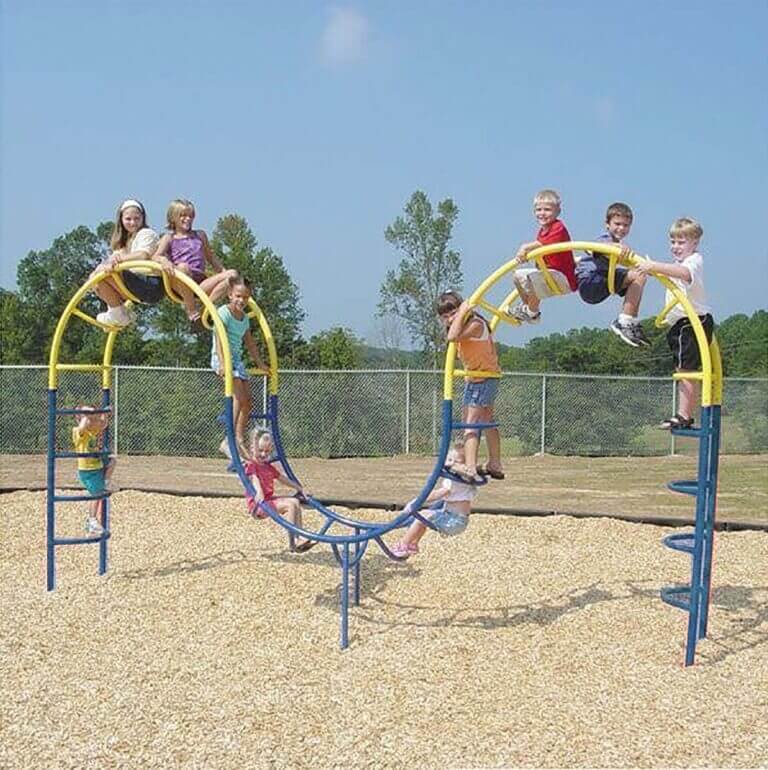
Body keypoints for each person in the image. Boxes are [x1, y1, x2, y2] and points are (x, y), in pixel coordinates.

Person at [636, 217, 714, 429]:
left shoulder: (694, 261)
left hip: (692, 321)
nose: (676, 247)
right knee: (683, 369)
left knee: (686, 369)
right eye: (673, 242)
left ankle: (684, 415)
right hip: (682, 323)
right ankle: (684, 415)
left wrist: (654, 266)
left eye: (681, 242)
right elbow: (673, 271)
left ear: (695, 242)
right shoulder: (678, 264)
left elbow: (685, 274)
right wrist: (653, 269)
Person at [437, 291, 503, 483]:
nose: (450, 319)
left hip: (483, 378)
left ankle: (471, 467)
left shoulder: (475, 324)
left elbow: (452, 336)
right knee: (486, 419)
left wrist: (464, 310)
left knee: (471, 424)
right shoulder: (466, 325)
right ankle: (494, 463)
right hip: (479, 377)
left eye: (453, 313)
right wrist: (458, 316)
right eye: (445, 316)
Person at [576, 202, 650, 347]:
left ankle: (630, 322)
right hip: (591, 281)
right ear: (607, 224)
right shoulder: (605, 239)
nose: (621, 228)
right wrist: (616, 247)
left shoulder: (618, 247)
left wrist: (652, 268)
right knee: (638, 275)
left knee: (640, 274)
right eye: (617, 224)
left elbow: (630, 264)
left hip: (603, 280)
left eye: (626, 225)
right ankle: (625, 321)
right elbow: (592, 249)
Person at [153, 199, 238, 325]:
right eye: (183, 216)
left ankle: (206, 309)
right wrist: (164, 260)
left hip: (200, 284)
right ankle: (192, 312)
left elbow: (211, 258)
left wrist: (224, 274)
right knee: (183, 267)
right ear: (173, 218)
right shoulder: (169, 238)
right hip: (181, 284)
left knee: (233, 274)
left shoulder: (200, 235)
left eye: (190, 216)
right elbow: (155, 256)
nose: (187, 219)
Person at [210, 276, 266, 457]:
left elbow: (249, 343)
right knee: (239, 398)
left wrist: (260, 364)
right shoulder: (223, 312)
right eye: (238, 296)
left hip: (237, 361)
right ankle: (228, 439)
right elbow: (219, 340)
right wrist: (224, 363)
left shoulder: (244, 318)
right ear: (229, 295)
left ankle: (238, 437)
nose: (241, 300)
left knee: (248, 402)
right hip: (223, 359)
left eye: (245, 297)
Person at [92, 199, 170, 326]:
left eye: (136, 218)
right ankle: (118, 312)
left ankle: (119, 315)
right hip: (137, 284)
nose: (133, 222)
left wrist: (118, 260)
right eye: (128, 219)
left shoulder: (146, 233)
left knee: (102, 275)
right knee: (97, 278)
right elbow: (112, 259)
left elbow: (143, 255)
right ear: (121, 220)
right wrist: (105, 265)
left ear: (142, 218)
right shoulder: (125, 241)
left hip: (150, 284)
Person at [391, 443, 476, 558]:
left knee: (423, 515)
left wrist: (416, 502)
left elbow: (438, 494)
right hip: (457, 520)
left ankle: (403, 544)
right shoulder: (468, 481)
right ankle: (413, 543)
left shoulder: (455, 481)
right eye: (449, 459)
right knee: (424, 520)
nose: (450, 463)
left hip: (453, 521)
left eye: (456, 461)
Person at [510, 189, 577, 324]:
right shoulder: (542, 232)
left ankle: (531, 311)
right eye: (538, 210)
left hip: (564, 277)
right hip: (549, 274)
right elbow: (540, 253)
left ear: (557, 211)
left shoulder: (558, 227)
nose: (542, 213)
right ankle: (530, 311)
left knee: (533, 278)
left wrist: (525, 248)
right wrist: (527, 256)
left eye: (547, 209)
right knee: (517, 276)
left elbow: (542, 245)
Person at [244, 430, 316, 552]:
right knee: (289, 505)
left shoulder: (268, 467)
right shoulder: (251, 465)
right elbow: (254, 478)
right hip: (258, 504)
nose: (263, 454)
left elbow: (283, 479)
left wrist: (299, 488)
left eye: (267, 452)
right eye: (260, 450)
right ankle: (295, 541)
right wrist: (259, 491)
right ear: (252, 449)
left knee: (295, 502)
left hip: (267, 501)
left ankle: (298, 539)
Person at [72, 406, 116, 535]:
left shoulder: (93, 430)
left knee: (113, 461)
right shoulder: (78, 432)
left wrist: (105, 414)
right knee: (96, 495)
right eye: (87, 416)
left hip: (98, 465)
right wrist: (88, 414)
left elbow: (103, 424)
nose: (91, 419)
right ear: (80, 418)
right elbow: (83, 425)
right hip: (88, 470)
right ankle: (92, 520)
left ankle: (106, 481)